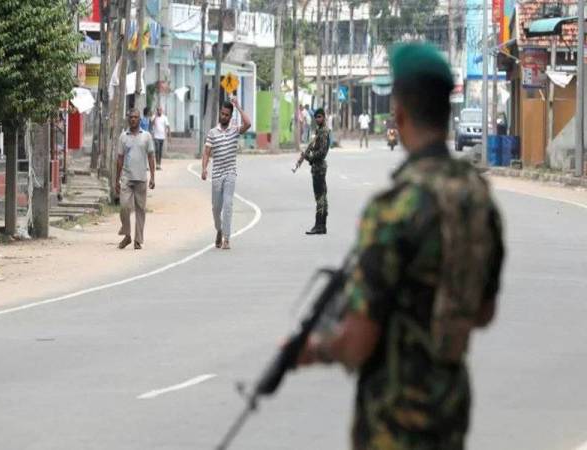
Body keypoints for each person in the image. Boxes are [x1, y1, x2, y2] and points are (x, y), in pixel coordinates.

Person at [296, 43, 505, 450]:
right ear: (448, 114)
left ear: (400, 114)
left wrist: (313, 349)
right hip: (450, 407)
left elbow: (358, 341)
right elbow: (483, 311)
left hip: (393, 417)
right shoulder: (477, 198)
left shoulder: (393, 209)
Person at [201, 98, 251, 250]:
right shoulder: (212, 133)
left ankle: (227, 238)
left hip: (230, 173)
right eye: (222, 114)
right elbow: (206, 152)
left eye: (226, 115)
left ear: (230, 117)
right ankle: (219, 229)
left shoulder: (234, 130)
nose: (223, 116)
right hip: (216, 176)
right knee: (216, 209)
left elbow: (248, 124)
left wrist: (238, 107)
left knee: (228, 204)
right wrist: (204, 168)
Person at [116, 108, 156, 250]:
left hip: (141, 178)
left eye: (135, 117)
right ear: (128, 119)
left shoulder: (146, 136)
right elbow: (120, 158)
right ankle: (127, 235)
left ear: (140, 120)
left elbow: (151, 156)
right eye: (131, 117)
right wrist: (116, 180)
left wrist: (152, 176)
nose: (133, 119)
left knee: (141, 210)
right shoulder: (123, 137)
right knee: (124, 207)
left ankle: (138, 240)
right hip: (126, 178)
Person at [299, 108, 330, 235]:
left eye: (319, 117)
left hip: (319, 168)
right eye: (316, 117)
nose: (317, 119)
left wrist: (309, 157)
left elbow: (322, 152)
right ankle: (322, 226)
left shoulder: (323, 132)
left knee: (320, 198)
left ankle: (319, 225)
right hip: (318, 167)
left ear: (324, 117)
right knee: (322, 197)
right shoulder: (319, 131)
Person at [151, 106, 170, 170]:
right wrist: (155, 117)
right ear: (157, 111)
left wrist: (169, 136)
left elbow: (167, 126)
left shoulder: (164, 117)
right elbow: (152, 123)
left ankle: (159, 164)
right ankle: (157, 164)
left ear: (162, 111)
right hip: (156, 136)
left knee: (160, 151)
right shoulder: (154, 117)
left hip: (162, 136)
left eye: (160, 110)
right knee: (157, 150)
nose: (159, 111)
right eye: (158, 110)